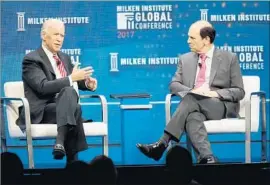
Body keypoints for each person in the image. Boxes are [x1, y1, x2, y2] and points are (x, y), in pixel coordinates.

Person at [136, 20, 245, 164]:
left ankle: (162, 143)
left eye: (192, 38)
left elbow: (239, 91)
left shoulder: (229, 58)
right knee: (193, 117)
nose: (188, 41)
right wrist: (193, 91)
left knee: (190, 99)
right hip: (193, 105)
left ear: (206, 40)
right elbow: (174, 85)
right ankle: (207, 158)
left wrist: (214, 94)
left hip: (219, 106)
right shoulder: (185, 59)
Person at [17, 19, 97, 163]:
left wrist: (87, 83)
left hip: (63, 107)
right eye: (55, 35)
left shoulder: (64, 58)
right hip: (42, 110)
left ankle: (60, 143)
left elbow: (74, 79)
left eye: (62, 35)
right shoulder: (31, 60)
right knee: (74, 107)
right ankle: (73, 163)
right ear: (43, 35)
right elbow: (42, 87)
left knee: (69, 95)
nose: (59, 39)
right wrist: (71, 78)